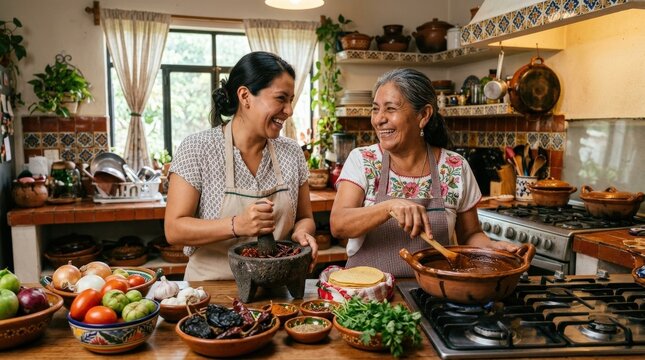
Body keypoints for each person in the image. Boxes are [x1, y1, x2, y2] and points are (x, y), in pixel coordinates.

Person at [330, 68, 522, 277]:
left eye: (390, 109)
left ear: (423, 115)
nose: (379, 119)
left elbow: (470, 235)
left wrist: (492, 248)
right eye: (375, 109)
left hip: (433, 294)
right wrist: (388, 207)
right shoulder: (363, 160)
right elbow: (339, 224)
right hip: (367, 296)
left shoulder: (455, 166)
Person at [165, 51, 318, 281]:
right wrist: (238, 224)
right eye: (281, 98)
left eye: (291, 100)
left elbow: (305, 218)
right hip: (210, 289)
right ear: (245, 96)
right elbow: (174, 229)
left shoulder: (292, 152)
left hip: (277, 287)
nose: (289, 110)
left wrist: (302, 234)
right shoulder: (198, 148)